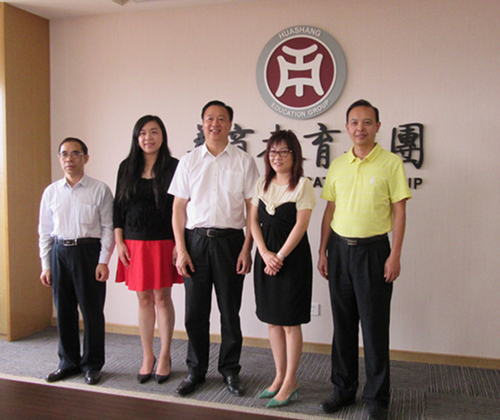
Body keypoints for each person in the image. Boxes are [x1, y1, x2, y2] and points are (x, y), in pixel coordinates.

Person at [317, 100, 412, 420]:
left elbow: (400, 212)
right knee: (343, 325)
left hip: (374, 252)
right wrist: (323, 250)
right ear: (347, 128)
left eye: (367, 122)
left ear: (378, 127)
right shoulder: (338, 165)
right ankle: (343, 390)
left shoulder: (391, 163)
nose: (361, 128)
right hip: (339, 252)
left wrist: (395, 254)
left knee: (374, 327)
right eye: (355, 122)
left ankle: (377, 398)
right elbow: (329, 210)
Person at [169, 100, 259, 397]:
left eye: (221, 118)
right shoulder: (189, 161)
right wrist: (181, 248)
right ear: (202, 123)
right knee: (195, 312)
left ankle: (230, 370)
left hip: (231, 242)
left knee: (230, 311)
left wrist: (247, 248)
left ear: (230, 124)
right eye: (210, 118)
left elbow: (252, 209)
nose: (215, 123)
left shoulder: (244, 161)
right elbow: (178, 208)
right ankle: (196, 370)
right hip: (195, 242)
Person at [38, 137, 115, 386]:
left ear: (85, 158)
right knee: (64, 312)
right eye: (64, 154)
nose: (69, 159)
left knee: (92, 312)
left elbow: (108, 228)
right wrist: (46, 265)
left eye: (75, 153)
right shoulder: (51, 192)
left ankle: (92, 364)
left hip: (88, 253)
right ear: (59, 159)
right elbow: (44, 232)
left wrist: (103, 261)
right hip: (59, 252)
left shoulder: (100, 190)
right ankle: (68, 362)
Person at [114, 115, 182, 384]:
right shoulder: (126, 166)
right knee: (143, 299)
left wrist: (179, 243)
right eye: (142, 133)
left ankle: (165, 355)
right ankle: (147, 355)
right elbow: (118, 206)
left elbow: (181, 208)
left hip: (164, 241)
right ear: (136, 138)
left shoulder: (174, 166)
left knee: (162, 297)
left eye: (154, 132)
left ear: (163, 136)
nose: (148, 138)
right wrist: (119, 241)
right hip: (134, 242)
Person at [250, 130, 315, 408]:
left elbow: (301, 225)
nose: (277, 157)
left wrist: (279, 256)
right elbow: (253, 221)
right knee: (272, 320)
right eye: (272, 152)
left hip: (292, 260)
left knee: (290, 322)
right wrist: (265, 253)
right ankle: (279, 376)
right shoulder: (261, 184)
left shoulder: (303, 185)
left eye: (283, 151)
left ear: (294, 155)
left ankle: (291, 380)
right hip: (265, 259)